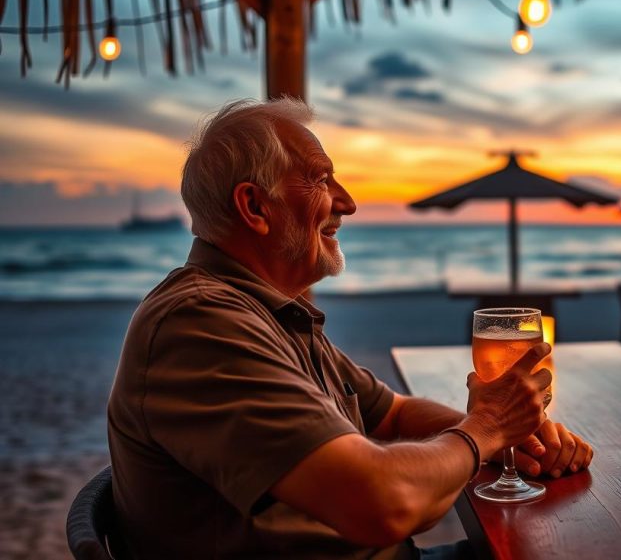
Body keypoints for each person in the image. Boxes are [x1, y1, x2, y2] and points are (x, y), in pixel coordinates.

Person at [107, 99, 594, 560]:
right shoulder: (201, 326)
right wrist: (484, 429)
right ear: (255, 207)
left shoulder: (268, 313)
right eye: (322, 180)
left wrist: (511, 440)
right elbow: (383, 504)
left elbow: (395, 412)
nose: (349, 203)